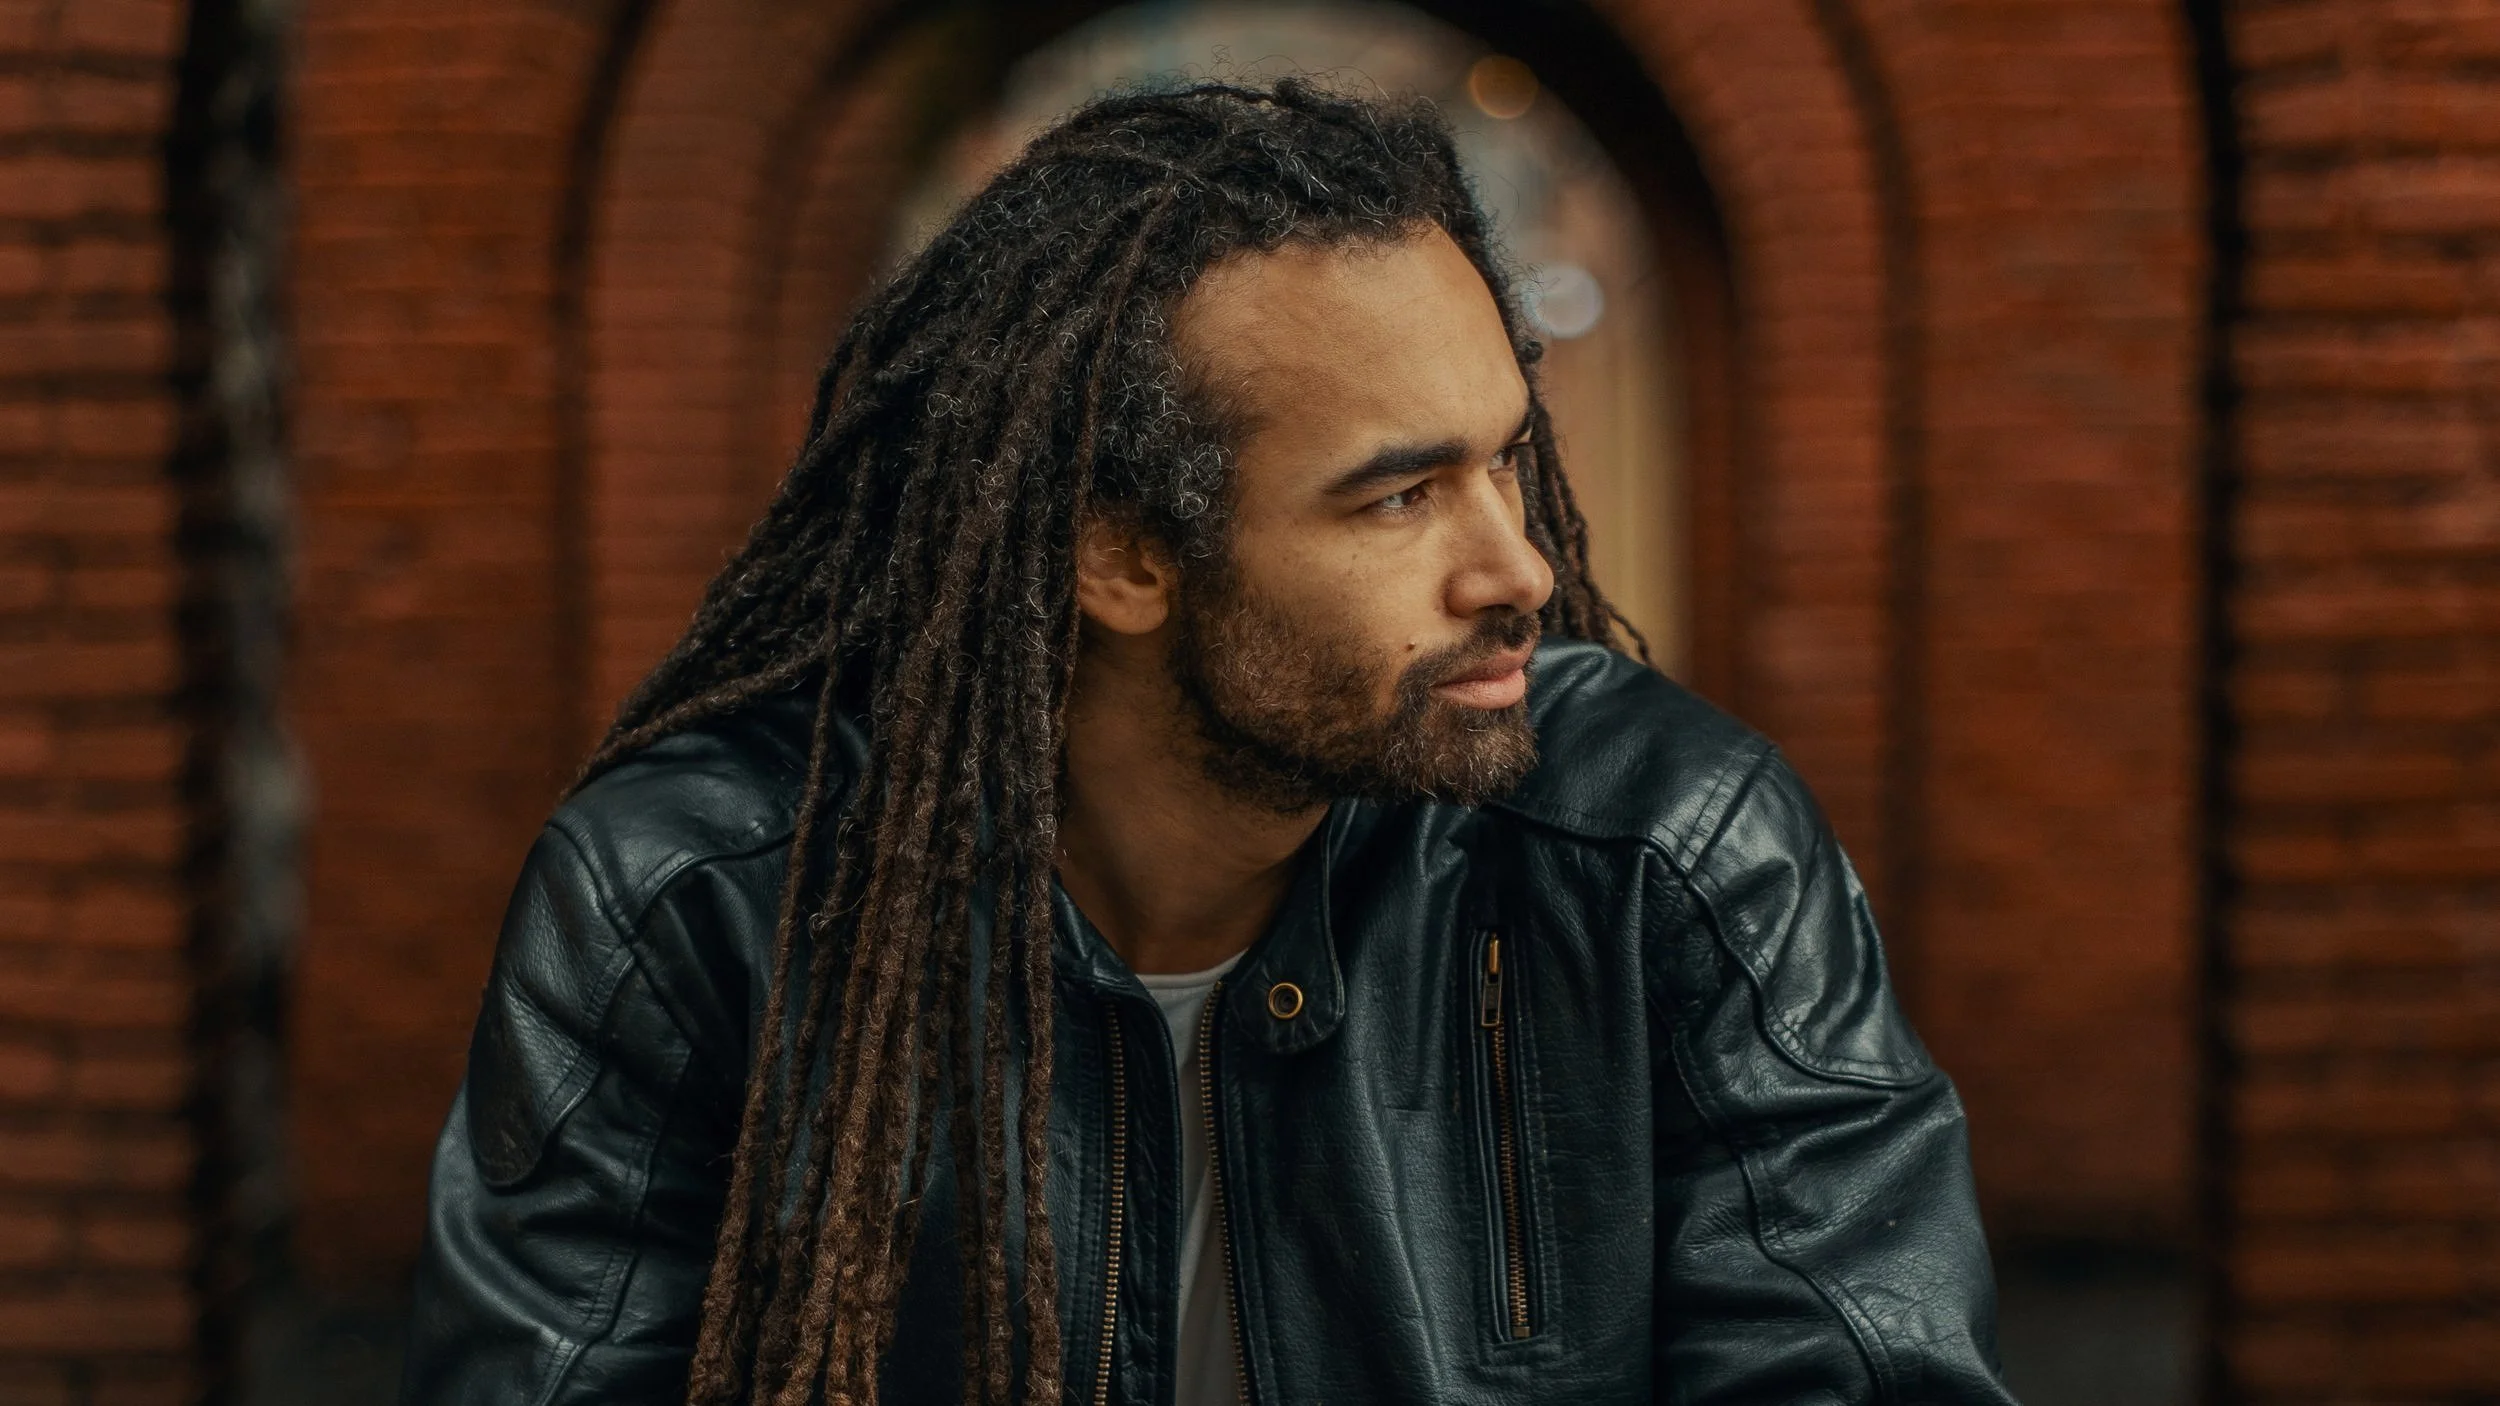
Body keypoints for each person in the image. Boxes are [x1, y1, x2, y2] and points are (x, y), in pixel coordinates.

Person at [402, 80, 2017, 1406]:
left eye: (1506, 463)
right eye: (1398, 495)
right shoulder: (695, 904)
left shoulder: (1667, 846)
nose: (1518, 568)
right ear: (1121, 557)